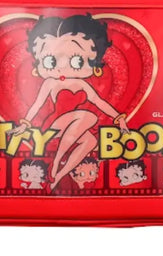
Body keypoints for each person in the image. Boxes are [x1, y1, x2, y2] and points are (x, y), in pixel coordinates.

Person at [7, 14, 129, 190]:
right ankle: (56, 161)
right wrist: (25, 124)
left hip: (75, 126)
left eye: (77, 60)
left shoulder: (83, 84)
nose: (62, 66)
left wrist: (119, 119)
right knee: (89, 116)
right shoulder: (50, 82)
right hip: (55, 125)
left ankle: (58, 176)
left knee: (92, 142)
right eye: (50, 60)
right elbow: (37, 105)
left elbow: (100, 102)